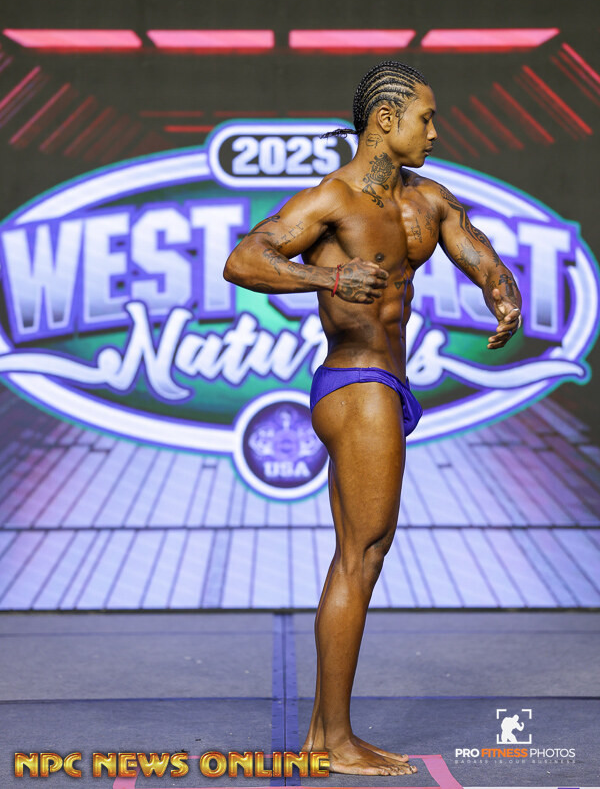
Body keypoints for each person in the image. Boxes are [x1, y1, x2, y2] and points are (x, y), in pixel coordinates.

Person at [223, 61, 522, 776]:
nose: (435, 131)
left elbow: (477, 250)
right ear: (386, 120)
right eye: (426, 117)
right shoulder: (332, 198)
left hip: (385, 385)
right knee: (361, 556)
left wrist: (502, 292)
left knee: (359, 555)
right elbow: (243, 260)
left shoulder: (428, 200)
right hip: (356, 382)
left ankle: (322, 739)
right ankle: (335, 742)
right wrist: (326, 276)